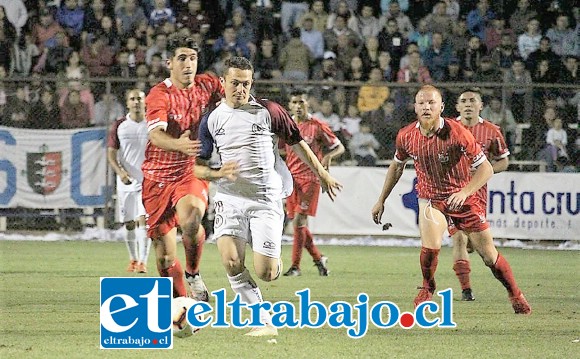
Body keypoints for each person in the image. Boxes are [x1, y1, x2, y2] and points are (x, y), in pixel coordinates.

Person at [195, 56, 342, 336]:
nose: (240, 89)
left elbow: (298, 143)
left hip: (265, 199)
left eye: (246, 84)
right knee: (231, 261)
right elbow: (197, 168)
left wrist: (323, 174)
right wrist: (217, 173)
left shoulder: (269, 111)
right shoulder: (211, 119)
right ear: (223, 83)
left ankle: (273, 259)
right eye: (235, 83)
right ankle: (263, 321)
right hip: (230, 198)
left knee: (266, 272)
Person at [371, 85, 531, 315]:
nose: (426, 107)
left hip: (463, 199)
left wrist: (465, 192)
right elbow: (397, 166)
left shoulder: (457, 132)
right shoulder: (406, 135)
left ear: (441, 107)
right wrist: (381, 200)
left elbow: (485, 168)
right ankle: (427, 287)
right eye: (422, 103)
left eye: (431, 103)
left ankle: (515, 293)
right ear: (415, 107)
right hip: (431, 199)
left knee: (488, 256)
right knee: (430, 247)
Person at [142, 35, 223, 301]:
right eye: (182, 59)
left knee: (191, 221)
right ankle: (180, 305)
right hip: (156, 178)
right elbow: (156, 137)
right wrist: (178, 144)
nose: (188, 64)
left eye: (193, 58)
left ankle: (193, 273)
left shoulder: (207, 84)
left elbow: (235, 98)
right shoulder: (159, 94)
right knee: (165, 258)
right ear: (169, 63)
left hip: (188, 172)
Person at [452, 88, 510, 301]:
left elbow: (504, 160)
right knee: (457, 238)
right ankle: (466, 290)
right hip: (452, 191)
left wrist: (485, 171)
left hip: (478, 194)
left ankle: (471, 248)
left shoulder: (492, 131)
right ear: (458, 107)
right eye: (463, 100)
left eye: (472, 100)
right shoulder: (448, 128)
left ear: (480, 105)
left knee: (474, 244)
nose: (468, 104)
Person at [282, 90, 345, 277]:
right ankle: (319, 259)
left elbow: (339, 147)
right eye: (295, 102)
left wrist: (327, 157)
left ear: (308, 104)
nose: (298, 106)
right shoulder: (287, 125)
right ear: (290, 105)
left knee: (299, 221)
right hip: (291, 179)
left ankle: (295, 267)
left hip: (310, 178)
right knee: (298, 225)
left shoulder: (317, 125)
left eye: (301, 102)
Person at [107, 89, 151, 273]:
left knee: (144, 221)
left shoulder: (152, 124)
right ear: (127, 103)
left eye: (139, 98)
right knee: (129, 223)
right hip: (125, 182)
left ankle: (143, 261)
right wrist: (121, 172)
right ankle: (133, 259)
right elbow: (111, 154)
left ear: (145, 101)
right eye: (132, 99)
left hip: (148, 181)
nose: (136, 102)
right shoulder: (120, 125)